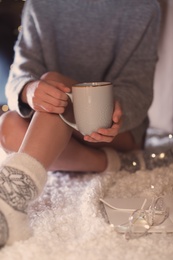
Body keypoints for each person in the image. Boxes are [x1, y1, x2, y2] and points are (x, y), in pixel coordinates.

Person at [0, 0, 160, 247]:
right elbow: (19, 74)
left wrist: (118, 108)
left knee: (54, 82)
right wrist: (28, 90)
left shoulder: (143, 8)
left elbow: (138, 89)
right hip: (55, 122)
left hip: (114, 130)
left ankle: (12, 201)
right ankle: (109, 163)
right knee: (8, 127)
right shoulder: (39, 5)